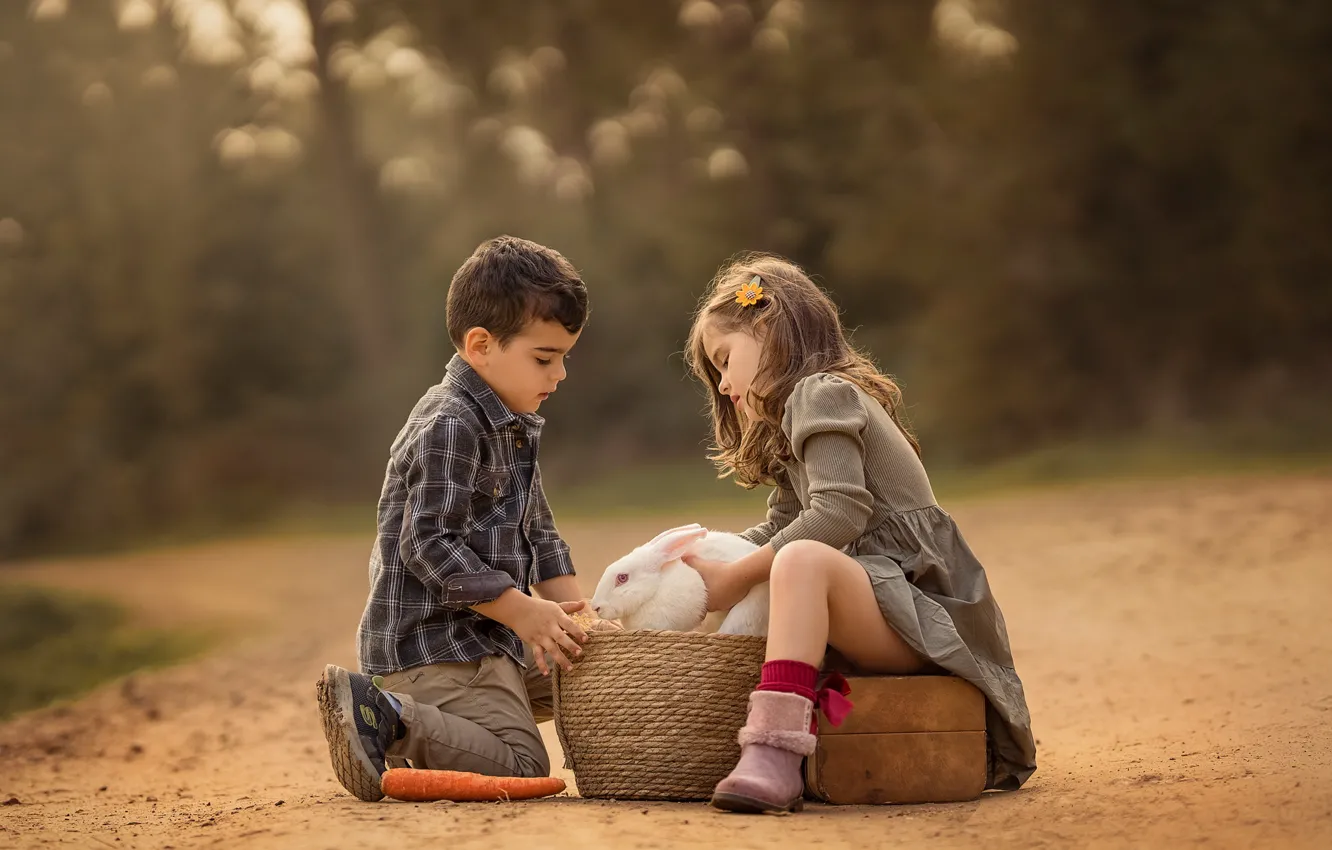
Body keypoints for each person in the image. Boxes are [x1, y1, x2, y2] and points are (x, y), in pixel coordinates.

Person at [681, 254, 1037, 813]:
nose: (723, 383)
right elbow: (781, 522)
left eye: (725, 360)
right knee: (785, 553)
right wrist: (697, 566)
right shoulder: (798, 413)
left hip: (924, 615)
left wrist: (738, 577)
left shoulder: (821, 393)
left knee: (798, 561)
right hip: (884, 605)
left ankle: (774, 750)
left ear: (768, 326)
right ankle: (749, 740)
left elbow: (839, 513)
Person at [315, 235, 593, 802]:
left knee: (595, 674)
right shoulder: (451, 423)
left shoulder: (511, 424)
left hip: (487, 637)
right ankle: (389, 715)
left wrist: (582, 621)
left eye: (564, 357)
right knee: (522, 766)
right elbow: (428, 545)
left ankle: (434, 725)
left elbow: (539, 537)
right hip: (436, 647)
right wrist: (520, 610)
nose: (559, 374)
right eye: (545, 358)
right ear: (481, 345)